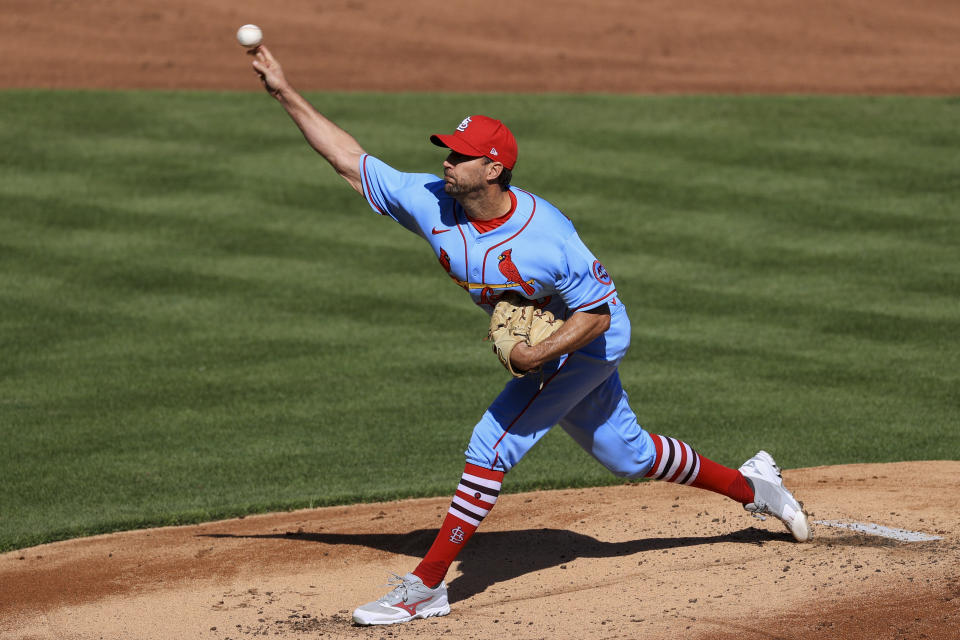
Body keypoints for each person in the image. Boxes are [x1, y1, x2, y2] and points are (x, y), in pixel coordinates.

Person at [247, 45, 811, 627]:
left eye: (462, 156)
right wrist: (285, 92)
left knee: (492, 443)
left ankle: (426, 586)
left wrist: (532, 356)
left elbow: (597, 317)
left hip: (588, 342)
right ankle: (755, 488)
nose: (448, 162)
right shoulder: (431, 202)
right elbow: (349, 159)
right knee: (629, 455)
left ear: (493, 169)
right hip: (554, 347)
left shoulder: (548, 236)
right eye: (447, 150)